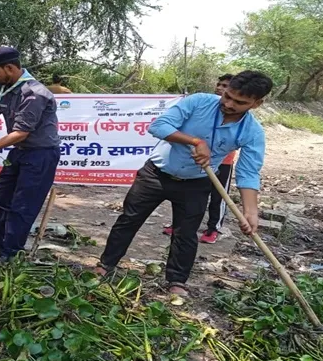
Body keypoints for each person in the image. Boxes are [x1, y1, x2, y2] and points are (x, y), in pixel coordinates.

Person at [95, 70, 273, 296]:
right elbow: (158, 126)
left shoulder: (253, 132)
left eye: (239, 102)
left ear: (256, 104)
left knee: (185, 233)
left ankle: (176, 281)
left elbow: (248, 172)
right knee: (129, 220)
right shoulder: (199, 102)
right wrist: (195, 141)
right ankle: (105, 265)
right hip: (156, 174)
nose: (228, 103)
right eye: (227, 96)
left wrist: (250, 212)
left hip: (196, 183)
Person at [0, 47, 61, 261]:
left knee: (23, 205)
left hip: (40, 155)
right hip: (19, 153)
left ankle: (10, 253)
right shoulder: (6, 89)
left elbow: (20, 133)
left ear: (9, 68)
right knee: (0, 197)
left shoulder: (34, 93)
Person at [162, 73, 238, 245]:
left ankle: (213, 228)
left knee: (218, 194)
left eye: (225, 86)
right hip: (194, 160)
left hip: (222, 161)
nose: (220, 88)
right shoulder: (203, 104)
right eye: (219, 84)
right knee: (185, 197)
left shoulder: (237, 115)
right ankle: (178, 225)